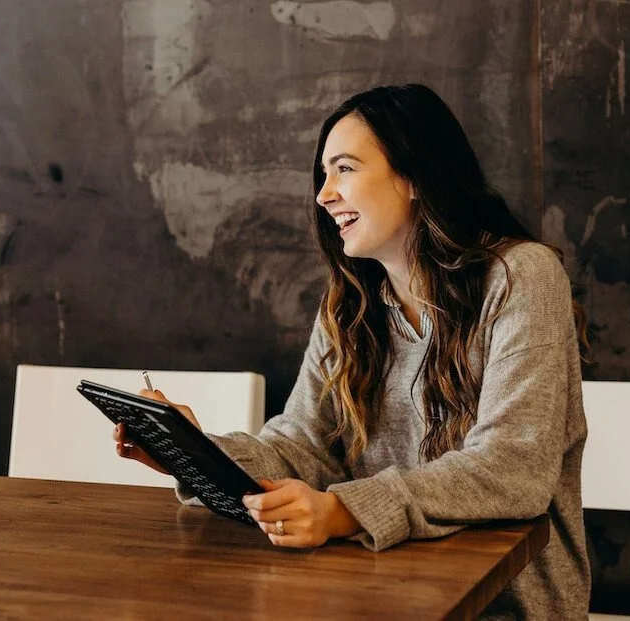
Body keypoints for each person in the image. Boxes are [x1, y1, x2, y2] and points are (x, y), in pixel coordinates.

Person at [113, 84, 591, 619]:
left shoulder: (521, 277)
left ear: (413, 177)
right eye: (323, 175)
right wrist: (195, 453)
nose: (323, 195)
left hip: (502, 606)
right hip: (373, 593)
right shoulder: (350, 306)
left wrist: (343, 511)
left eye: (344, 169)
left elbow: (512, 469)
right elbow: (302, 449)